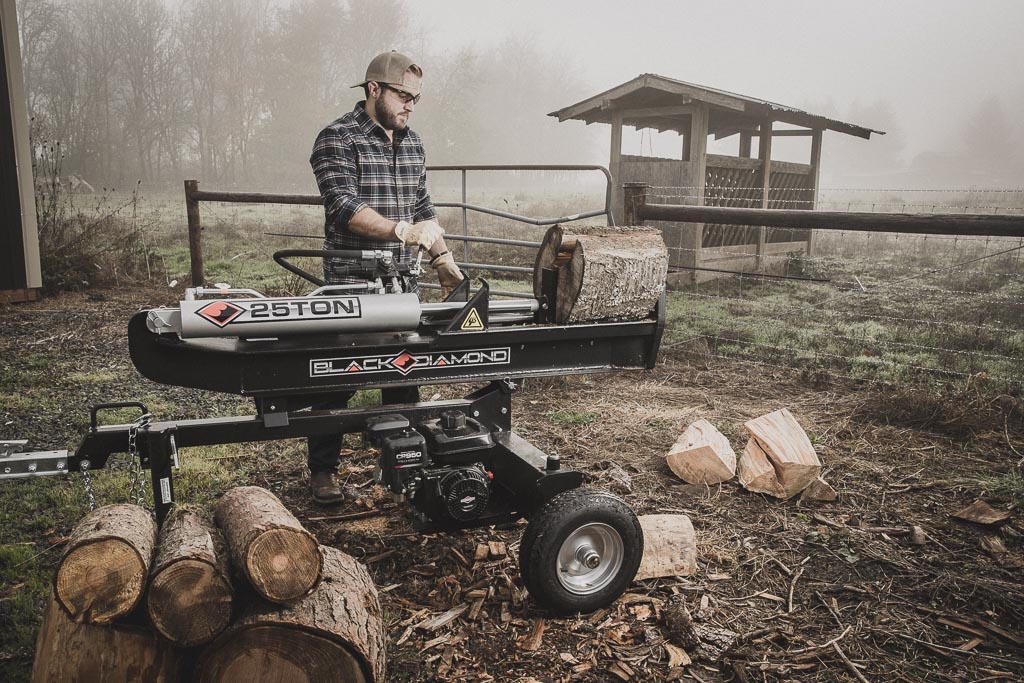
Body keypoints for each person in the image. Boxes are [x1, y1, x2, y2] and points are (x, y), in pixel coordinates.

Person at [306, 51, 464, 504]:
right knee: (334, 381)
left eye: (416, 97)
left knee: (403, 376)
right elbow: (343, 206)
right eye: (402, 95)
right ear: (373, 89)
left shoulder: (412, 142)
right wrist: (399, 230)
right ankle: (322, 472)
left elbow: (422, 208)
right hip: (351, 284)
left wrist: (442, 259)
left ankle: (403, 468)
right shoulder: (336, 138)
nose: (410, 105)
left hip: (402, 284)